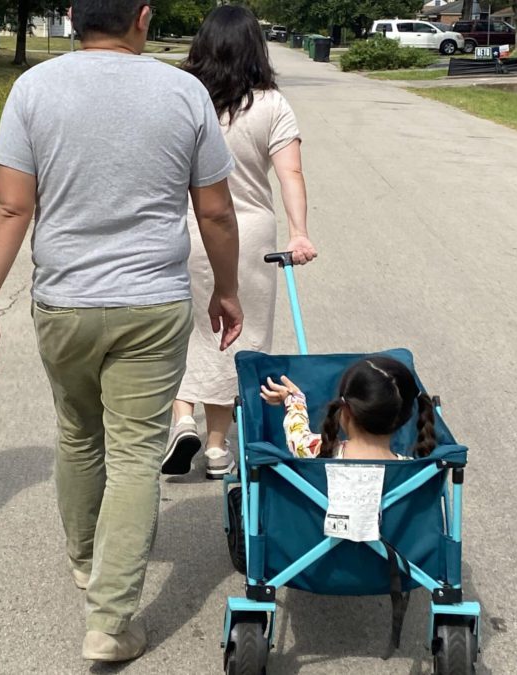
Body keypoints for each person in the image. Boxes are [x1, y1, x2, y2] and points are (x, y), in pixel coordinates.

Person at [0, 0, 243, 662]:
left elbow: (11, 205)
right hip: (152, 304)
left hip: (64, 302)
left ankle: (87, 561)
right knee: (136, 454)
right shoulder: (183, 92)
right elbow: (215, 211)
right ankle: (111, 620)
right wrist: (227, 288)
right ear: (142, 17)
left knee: (77, 433)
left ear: (71, 15)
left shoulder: (33, 89)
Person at [161, 5, 316, 480]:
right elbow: (291, 172)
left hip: (184, 229)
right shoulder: (271, 105)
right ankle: (215, 447)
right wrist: (298, 232)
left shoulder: (182, 98)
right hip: (247, 236)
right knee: (236, 336)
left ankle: (181, 419)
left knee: (182, 329)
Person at [259, 357, 437, 460]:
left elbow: (297, 435)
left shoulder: (317, 451)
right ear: (405, 417)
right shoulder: (414, 474)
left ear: (346, 410)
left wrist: (294, 400)